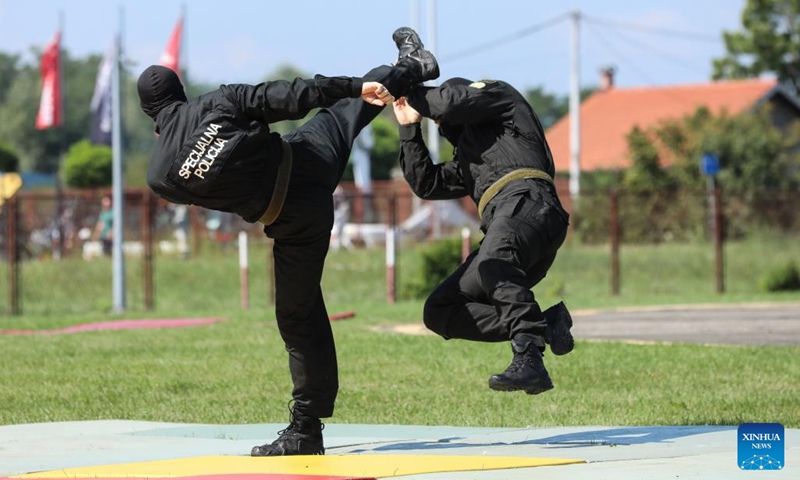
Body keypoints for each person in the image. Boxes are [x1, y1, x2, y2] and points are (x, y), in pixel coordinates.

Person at [136, 27, 438, 456]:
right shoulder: (218, 102)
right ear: (182, 94)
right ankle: (411, 66)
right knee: (347, 109)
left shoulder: (161, 176)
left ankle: (305, 430)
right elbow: (299, 93)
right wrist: (355, 86)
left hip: (294, 220)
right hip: (307, 157)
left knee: (299, 317)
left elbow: (197, 188)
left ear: (152, 117)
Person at [392, 76, 575, 396]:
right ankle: (546, 325)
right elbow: (427, 183)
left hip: (528, 202)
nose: (439, 120)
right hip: (513, 226)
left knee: (493, 261)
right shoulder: (469, 160)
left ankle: (529, 357)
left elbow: (447, 102)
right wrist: (409, 127)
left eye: (440, 117)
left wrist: (409, 89)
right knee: (440, 310)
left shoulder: (502, 101)